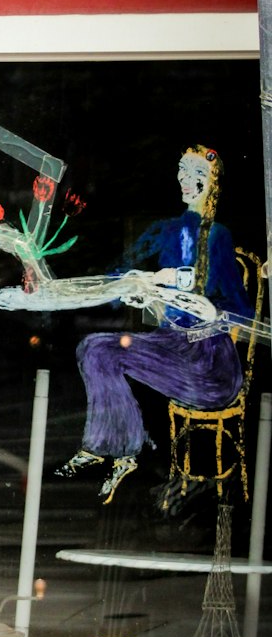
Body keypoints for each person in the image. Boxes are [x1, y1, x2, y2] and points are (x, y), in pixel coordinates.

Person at [56, 145, 250, 503]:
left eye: (197, 174)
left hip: (209, 363)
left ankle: (122, 452)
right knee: (95, 348)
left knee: (106, 351)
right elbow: (119, 272)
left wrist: (205, 308)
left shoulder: (218, 236)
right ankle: (117, 451)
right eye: (182, 169)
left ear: (213, 184)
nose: (186, 180)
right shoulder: (166, 230)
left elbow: (240, 309)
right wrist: (134, 285)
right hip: (172, 346)